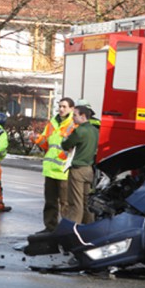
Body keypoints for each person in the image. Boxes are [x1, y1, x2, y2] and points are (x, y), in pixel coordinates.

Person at [31, 97, 75, 233]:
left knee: (65, 204)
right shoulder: (53, 123)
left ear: (71, 109)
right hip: (50, 170)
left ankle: (66, 231)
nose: (61, 109)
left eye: (64, 107)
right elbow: (46, 143)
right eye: (60, 106)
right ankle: (50, 228)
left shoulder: (74, 124)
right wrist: (37, 139)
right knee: (50, 202)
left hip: (64, 170)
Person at [61, 105, 99, 225]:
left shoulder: (80, 130)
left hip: (78, 169)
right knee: (86, 201)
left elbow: (66, 144)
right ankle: (89, 227)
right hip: (89, 169)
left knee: (75, 203)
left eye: (75, 115)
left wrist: (66, 140)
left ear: (83, 116)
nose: (73, 118)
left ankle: (73, 229)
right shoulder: (94, 130)